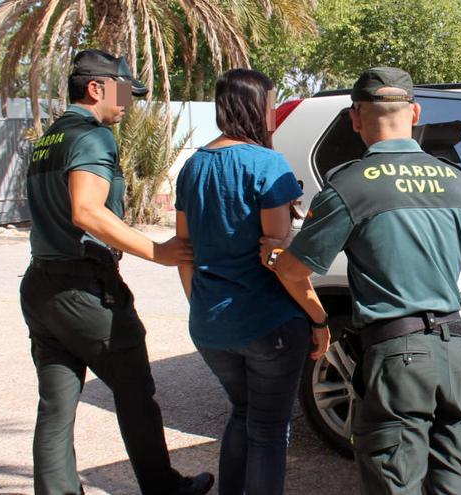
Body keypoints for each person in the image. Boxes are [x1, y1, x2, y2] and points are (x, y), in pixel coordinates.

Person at [263, 67, 461, 494]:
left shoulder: (350, 185)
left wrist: (281, 261)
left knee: (395, 477)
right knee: (452, 472)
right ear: (414, 113)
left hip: (398, 354)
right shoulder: (457, 181)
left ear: (355, 118)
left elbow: (295, 269)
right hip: (455, 350)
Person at [19, 49, 214, 495]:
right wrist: (158, 251)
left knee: (55, 406)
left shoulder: (49, 138)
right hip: (86, 288)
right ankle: (164, 488)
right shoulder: (92, 137)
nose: (130, 101)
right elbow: (86, 211)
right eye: (125, 90)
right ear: (96, 88)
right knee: (135, 392)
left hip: (41, 286)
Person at [174, 68, 331, 495]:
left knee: (243, 414)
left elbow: (183, 253)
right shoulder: (267, 164)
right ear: (251, 106)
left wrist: (202, 307)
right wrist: (318, 318)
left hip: (211, 325)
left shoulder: (193, 166)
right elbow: (280, 258)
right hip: (268, 322)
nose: (274, 113)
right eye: (270, 103)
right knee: (267, 429)